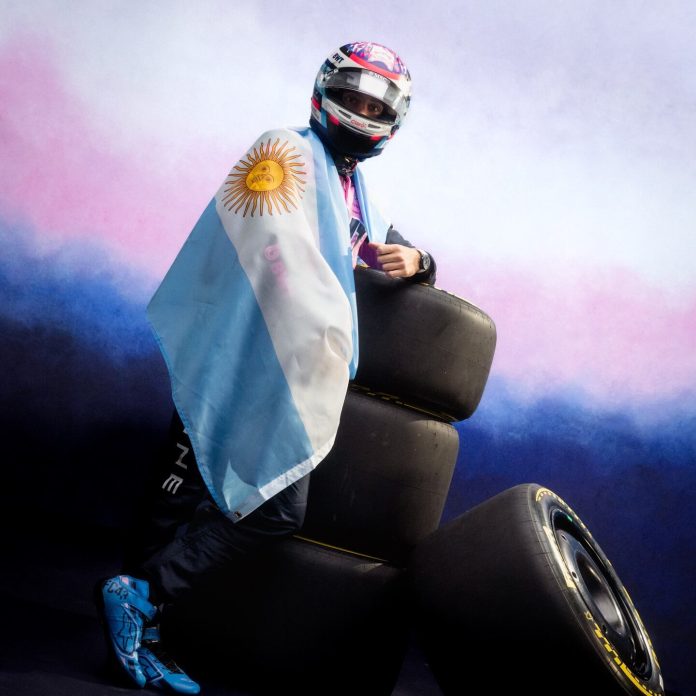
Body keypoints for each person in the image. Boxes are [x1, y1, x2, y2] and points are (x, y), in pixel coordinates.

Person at [95, 41, 436, 693]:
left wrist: (420, 261)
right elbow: (272, 243)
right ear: (325, 92)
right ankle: (136, 617)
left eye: (376, 107)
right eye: (353, 98)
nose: (362, 114)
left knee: (270, 508)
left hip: (283, 377)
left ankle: (139, 598)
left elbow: (380, 243)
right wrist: (328, 325)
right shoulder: (283, 151)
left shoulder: (353, 191)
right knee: (182, 494)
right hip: (235, 360)